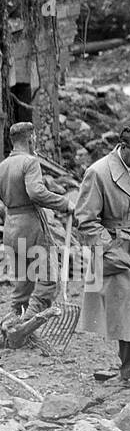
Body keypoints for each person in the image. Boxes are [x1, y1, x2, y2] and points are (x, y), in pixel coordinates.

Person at [74, 122, 130, 388]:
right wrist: (109, 247)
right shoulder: (98, 173)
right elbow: (86, 221)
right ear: (123, 147)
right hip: (117, 250)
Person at [0, 122, 73, 319]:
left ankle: (11, 324)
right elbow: (36, 192)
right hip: (31, 227)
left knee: (22, 283)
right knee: (49, 280)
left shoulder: (2, 166)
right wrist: (65, 204)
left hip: (10, 227)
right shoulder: (30, 162)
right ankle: (27, 324)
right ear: (31, 139)